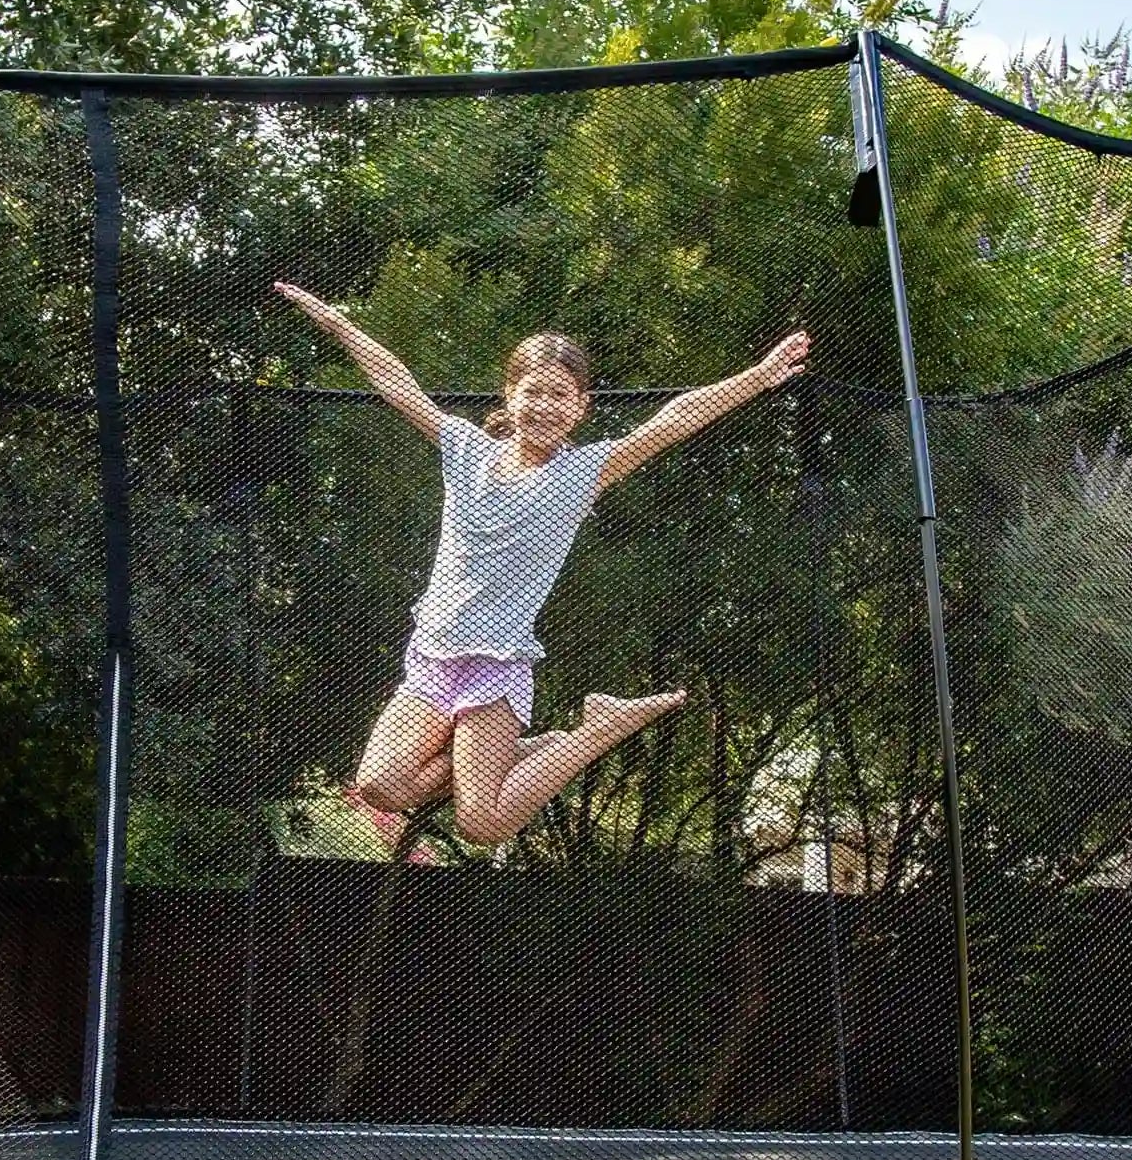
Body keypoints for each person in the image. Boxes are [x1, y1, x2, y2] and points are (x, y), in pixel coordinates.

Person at [275, 281, 811, 848]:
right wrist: (337, 324)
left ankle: (597, 731)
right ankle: (512, 754)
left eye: (562, 396)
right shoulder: (466, 449)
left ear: (580, 408)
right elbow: (396, 382)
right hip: (432, 656)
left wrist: (762, 374)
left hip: (496, 666)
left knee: (482, 826)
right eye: (535, 392)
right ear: (510, 396)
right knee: (380, 786)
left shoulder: (583, 473)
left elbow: (673, 421)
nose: (546, 406)